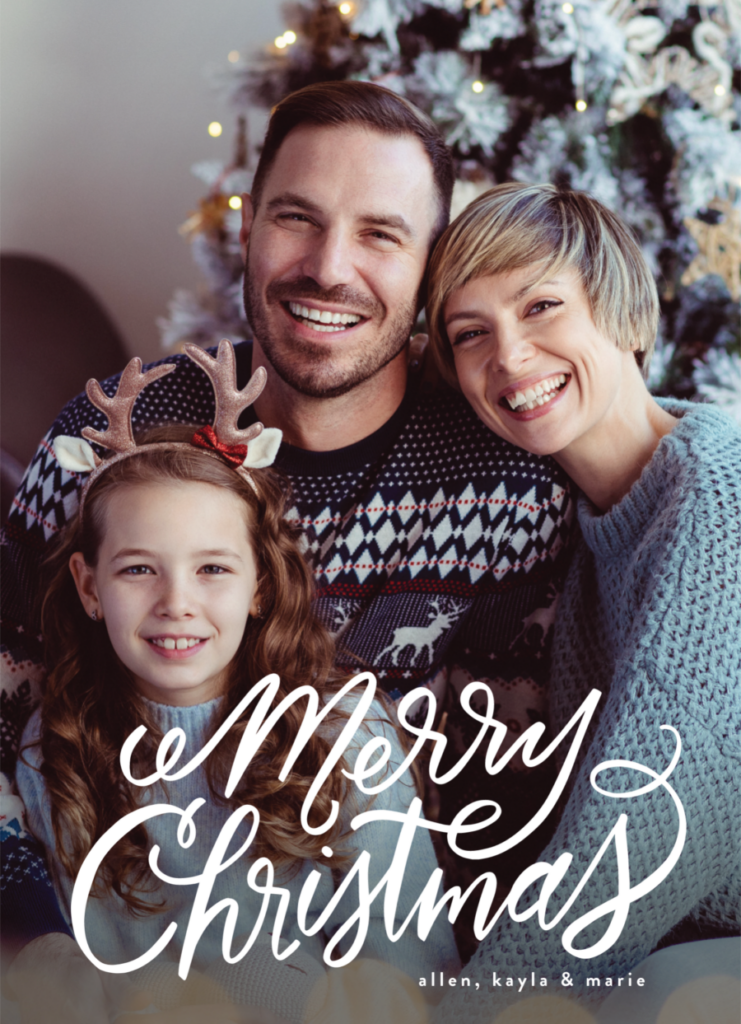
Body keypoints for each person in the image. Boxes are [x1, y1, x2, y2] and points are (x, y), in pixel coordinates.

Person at [0, 83, 573, 1017]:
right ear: (248, 227)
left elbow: (508, 817)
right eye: (295, 219)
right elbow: (9, 735)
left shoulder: (502, 477)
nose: (327, 267)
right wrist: (43, 959)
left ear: (431, 270)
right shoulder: (116, 441)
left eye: (381, 234)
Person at [15, 342, 458, 1022]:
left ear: (259, 585)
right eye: (138, 569)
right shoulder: (57, 749)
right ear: (88, 586)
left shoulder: (345, 736)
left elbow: (410, 969)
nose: (176, 603)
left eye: (213, 570)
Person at [425, 182, 741, 1020]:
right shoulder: (581, 529)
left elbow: (658, 808)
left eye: (540, 306)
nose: (510, 356)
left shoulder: (717, 488)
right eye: (470, 333)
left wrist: (478, 1004)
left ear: (624, 314)